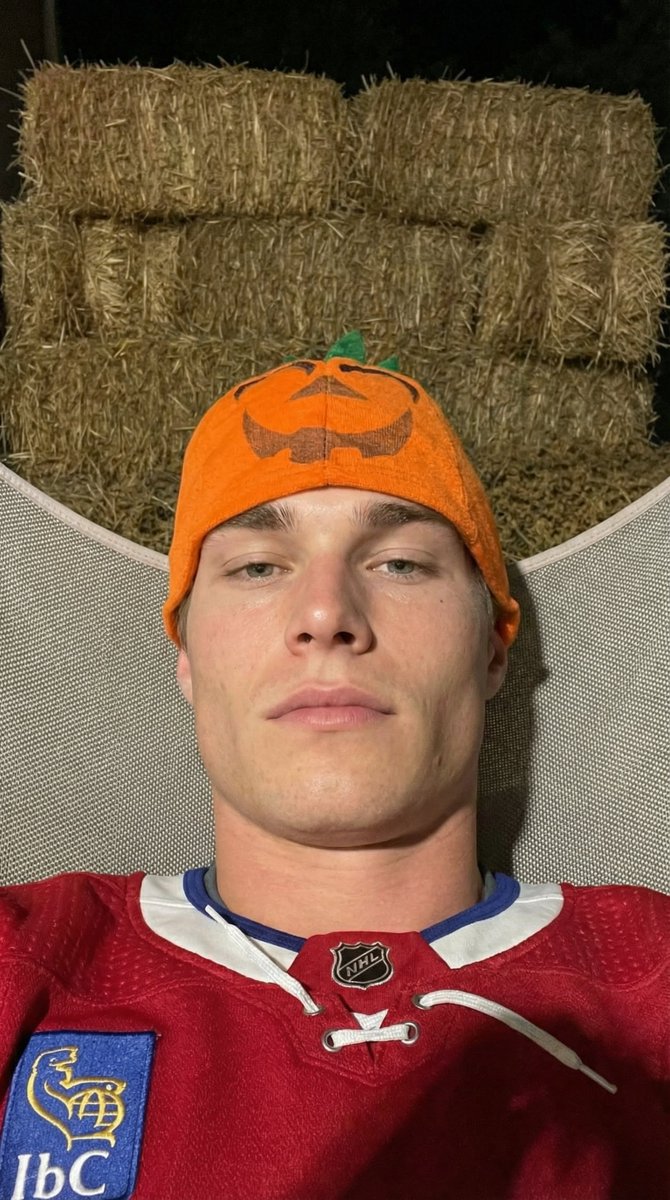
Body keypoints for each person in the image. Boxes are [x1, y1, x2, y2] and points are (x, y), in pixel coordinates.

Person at [0, 333, 667, 1200]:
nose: (325, 612)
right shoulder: (30, 961)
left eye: (400, 563)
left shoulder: (650, 978)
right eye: (256, 566)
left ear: (494, 649)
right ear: (187, 658)